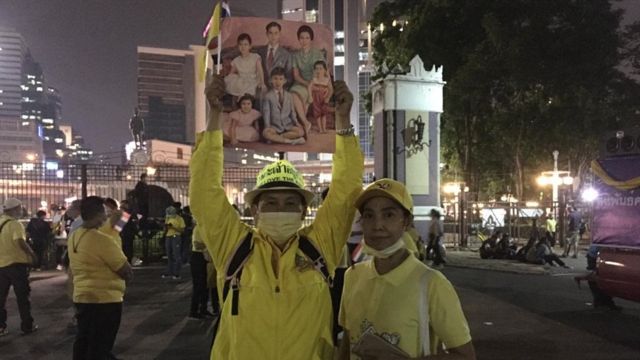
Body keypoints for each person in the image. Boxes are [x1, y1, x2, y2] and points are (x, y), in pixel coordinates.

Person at [190, 73, 362, 359]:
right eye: (270, 202)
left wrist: (343, 124)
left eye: (289, 203)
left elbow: (346, 191)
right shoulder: (232, 246)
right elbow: (203, 192)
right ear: (254, 210)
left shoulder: (320, 246)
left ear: (304, 211)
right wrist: (215, 116)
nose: (280, 209)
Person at [338, 179, 476, 359]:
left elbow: (465, 355)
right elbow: (347, 342)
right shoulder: (353, 276)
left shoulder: (432, 283)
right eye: (369, 215)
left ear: (406, 221)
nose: (377, 225)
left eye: (389, 215)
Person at [68, 196, 133, 360]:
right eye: (105, 212)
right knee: (100, 346)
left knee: (84, 341)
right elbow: (125, 271)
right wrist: (115, 210)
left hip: (83, 295)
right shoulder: (103, 237)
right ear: (100, 213)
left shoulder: (76, 235)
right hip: (105, 299)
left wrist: (114, 211)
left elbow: (124, 216)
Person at [0, 198, 38, 336]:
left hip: (1, 265)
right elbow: (20, 242)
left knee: (1, 298)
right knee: (23, 297)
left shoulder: (0, 222)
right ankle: (27, 325)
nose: (21, 210)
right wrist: (32, 254)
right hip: (16, 265)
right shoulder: (15, 224)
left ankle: (1, 326)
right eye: (20, 208)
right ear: (14, 209)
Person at [290, 25, 326, 134]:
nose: (304, 40)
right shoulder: (295, 56)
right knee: (293, 94)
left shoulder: (317, 54)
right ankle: (305, 123)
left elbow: (324, 72)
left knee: (306, 100)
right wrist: (306, 83)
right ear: (298, 39)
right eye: (302, 38)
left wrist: (315, 83)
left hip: (316, 83)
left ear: (311, 39)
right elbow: (296, 76)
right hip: (301, 83)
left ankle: (301, 126)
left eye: (307, 38)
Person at [261, 66, 306, 145]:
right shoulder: (268, 96)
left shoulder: (289, 95)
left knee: (301, 131)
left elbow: (292, 112)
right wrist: (267, 126)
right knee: (266, 133)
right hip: (274, 127)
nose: (278, 82)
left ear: (284, 81)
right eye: (275, 78)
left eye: (281, 79)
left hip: (287, 125)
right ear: (271, 80)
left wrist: (296, 123)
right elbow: (266, 114)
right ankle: (290, 141)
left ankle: (277, 138)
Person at [224, 33, 265, 99]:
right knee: (231, 79)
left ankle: (243, 95)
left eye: (245, 44)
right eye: (240, 45)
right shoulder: (236, 60)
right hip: (242, 81)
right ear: (238, 46)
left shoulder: (255, 57)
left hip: (252, 81)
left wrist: (262, 83)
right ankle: (242, 94)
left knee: (251, 87)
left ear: (250, 46)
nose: (243, 47)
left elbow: (260, 71)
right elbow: (231, 74)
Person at [189, 225, 215, 319]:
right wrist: (211, 244)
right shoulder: (199, 228)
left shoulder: (206, 228)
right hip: (198, 257)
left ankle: (203, 309)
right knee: (198, 285)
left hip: (205, 257)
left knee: (205, 285)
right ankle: (194, 311)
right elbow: (197, 244)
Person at [258, 21, 293, 88]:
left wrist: (279, 88)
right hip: (262, 87)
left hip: (279, 88)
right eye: (270, 33)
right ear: (267, 34)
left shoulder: (286, 55)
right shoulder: (260, 52)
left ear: (279, 34)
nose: (273, 36)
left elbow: (289, 78)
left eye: (276, 33)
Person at [308, 60, 333, 133]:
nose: (318, 70)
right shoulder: (314, 80)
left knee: (324, 113)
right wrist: (310, 96)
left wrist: (328, 97)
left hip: (324, 99)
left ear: (325, 70)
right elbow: (309, 87)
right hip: (316, 99)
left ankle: (324, 128)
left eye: (320, 68)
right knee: (317, 114)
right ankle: (320, 129)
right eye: (316, 69)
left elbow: (331, 89)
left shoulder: (327, 80)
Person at [162, 206, 185, 280]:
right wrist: (165, 227)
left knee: (176, 255)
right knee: (169, 255)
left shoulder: (180, 219)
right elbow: (165, 227)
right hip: (168, 236)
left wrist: (173, 228)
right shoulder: (168, 218)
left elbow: (182, 230)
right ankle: (170, 271)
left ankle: (177, 273)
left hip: (176, 237)